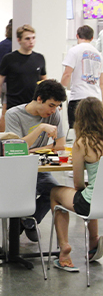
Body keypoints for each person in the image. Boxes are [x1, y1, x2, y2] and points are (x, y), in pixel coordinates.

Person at [5, 79, 67, 242]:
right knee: (26, 193)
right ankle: (27, 222)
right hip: (17, 170)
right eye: (51, 105)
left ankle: (29, 221)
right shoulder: (14, 114)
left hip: (40, 167)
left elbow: (60, 146)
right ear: (39, 99)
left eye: (56, 106)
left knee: (55, 191)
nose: (53, 111)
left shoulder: (54, 115)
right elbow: (14, 150)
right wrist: (40, 128)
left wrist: (31, 151)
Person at [50, 97, 103, 272]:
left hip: (91, 202)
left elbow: (78, 182)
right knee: (93, 193)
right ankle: (93, 242)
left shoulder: (82, 143)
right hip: (99, 199)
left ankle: (64, 249)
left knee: (55, 193)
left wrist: (86, 187)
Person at [0, 24, 47, 124]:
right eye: (27, 39)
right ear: (19, 40)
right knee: (14, 138)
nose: (31, 41)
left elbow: (45, 83)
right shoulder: (9, 59)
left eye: (33, 38)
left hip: (33, 106)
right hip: (14, 107)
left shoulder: (39, 58)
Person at [61, 25, 103, 129]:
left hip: (79, 98)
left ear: (77, 35)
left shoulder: (74, 50)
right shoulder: (99, 55)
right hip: (96, 99)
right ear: (92, 38)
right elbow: (101, 83)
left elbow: (67, 74)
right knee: (94, 132)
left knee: (76, 131)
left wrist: (59, 95)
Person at [0, 20, 12, 132]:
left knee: (3, 112)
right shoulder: (14, 46)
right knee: (6, 111)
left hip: (0, 82)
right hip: (10, 83)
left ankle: (0, 136)